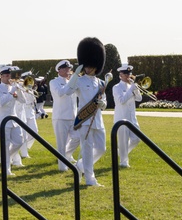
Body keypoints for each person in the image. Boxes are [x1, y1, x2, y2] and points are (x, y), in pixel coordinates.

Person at [70, 37, 108, 186]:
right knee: (87, 149)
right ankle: (89, 178)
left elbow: (105, 103)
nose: (88, 68)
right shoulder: (79, 81)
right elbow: (67, 92)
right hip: (85, 119)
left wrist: (102, 103)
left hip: (97, 119)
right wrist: (75, 75)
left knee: (101, 149)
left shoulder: (101, 83)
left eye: (91, 66)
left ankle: (79, 166)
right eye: (86, 66)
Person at [0, 65, 24, 173]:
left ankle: (4, 158)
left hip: (14, 120)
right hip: (1, 121)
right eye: (6, 76)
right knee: (5, 146)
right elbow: (0, 103)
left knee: (19, 142)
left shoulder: (13, 87)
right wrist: (12, 92)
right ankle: (7, 170)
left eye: (9, 75)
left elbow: (23, 101)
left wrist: (19, 90)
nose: (8, 78)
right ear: (1, 77)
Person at [49, 60, 78, 170]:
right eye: (65, 69)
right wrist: (71, 82)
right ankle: (62, 167)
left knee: (77, 138)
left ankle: (66, 155)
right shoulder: (54, 82)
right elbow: (61, 93)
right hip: (60, 117)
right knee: (61, 144)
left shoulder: (71, 81)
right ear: (59, 70)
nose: (68, 71)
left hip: (72, 116)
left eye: (69, 69)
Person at [112, 64, 142, 167]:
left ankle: (120, 153)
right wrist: (130, 90)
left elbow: (139, 99)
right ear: (120, 75)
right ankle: (124, 162)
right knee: (123, 141)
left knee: (136, 139)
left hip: (132, 118)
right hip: (121, 118)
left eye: (129, 73)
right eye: (125, 74)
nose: (128, 76)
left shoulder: (132, 86)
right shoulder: (116, 87)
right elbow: (121, 101)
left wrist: (136, 89)